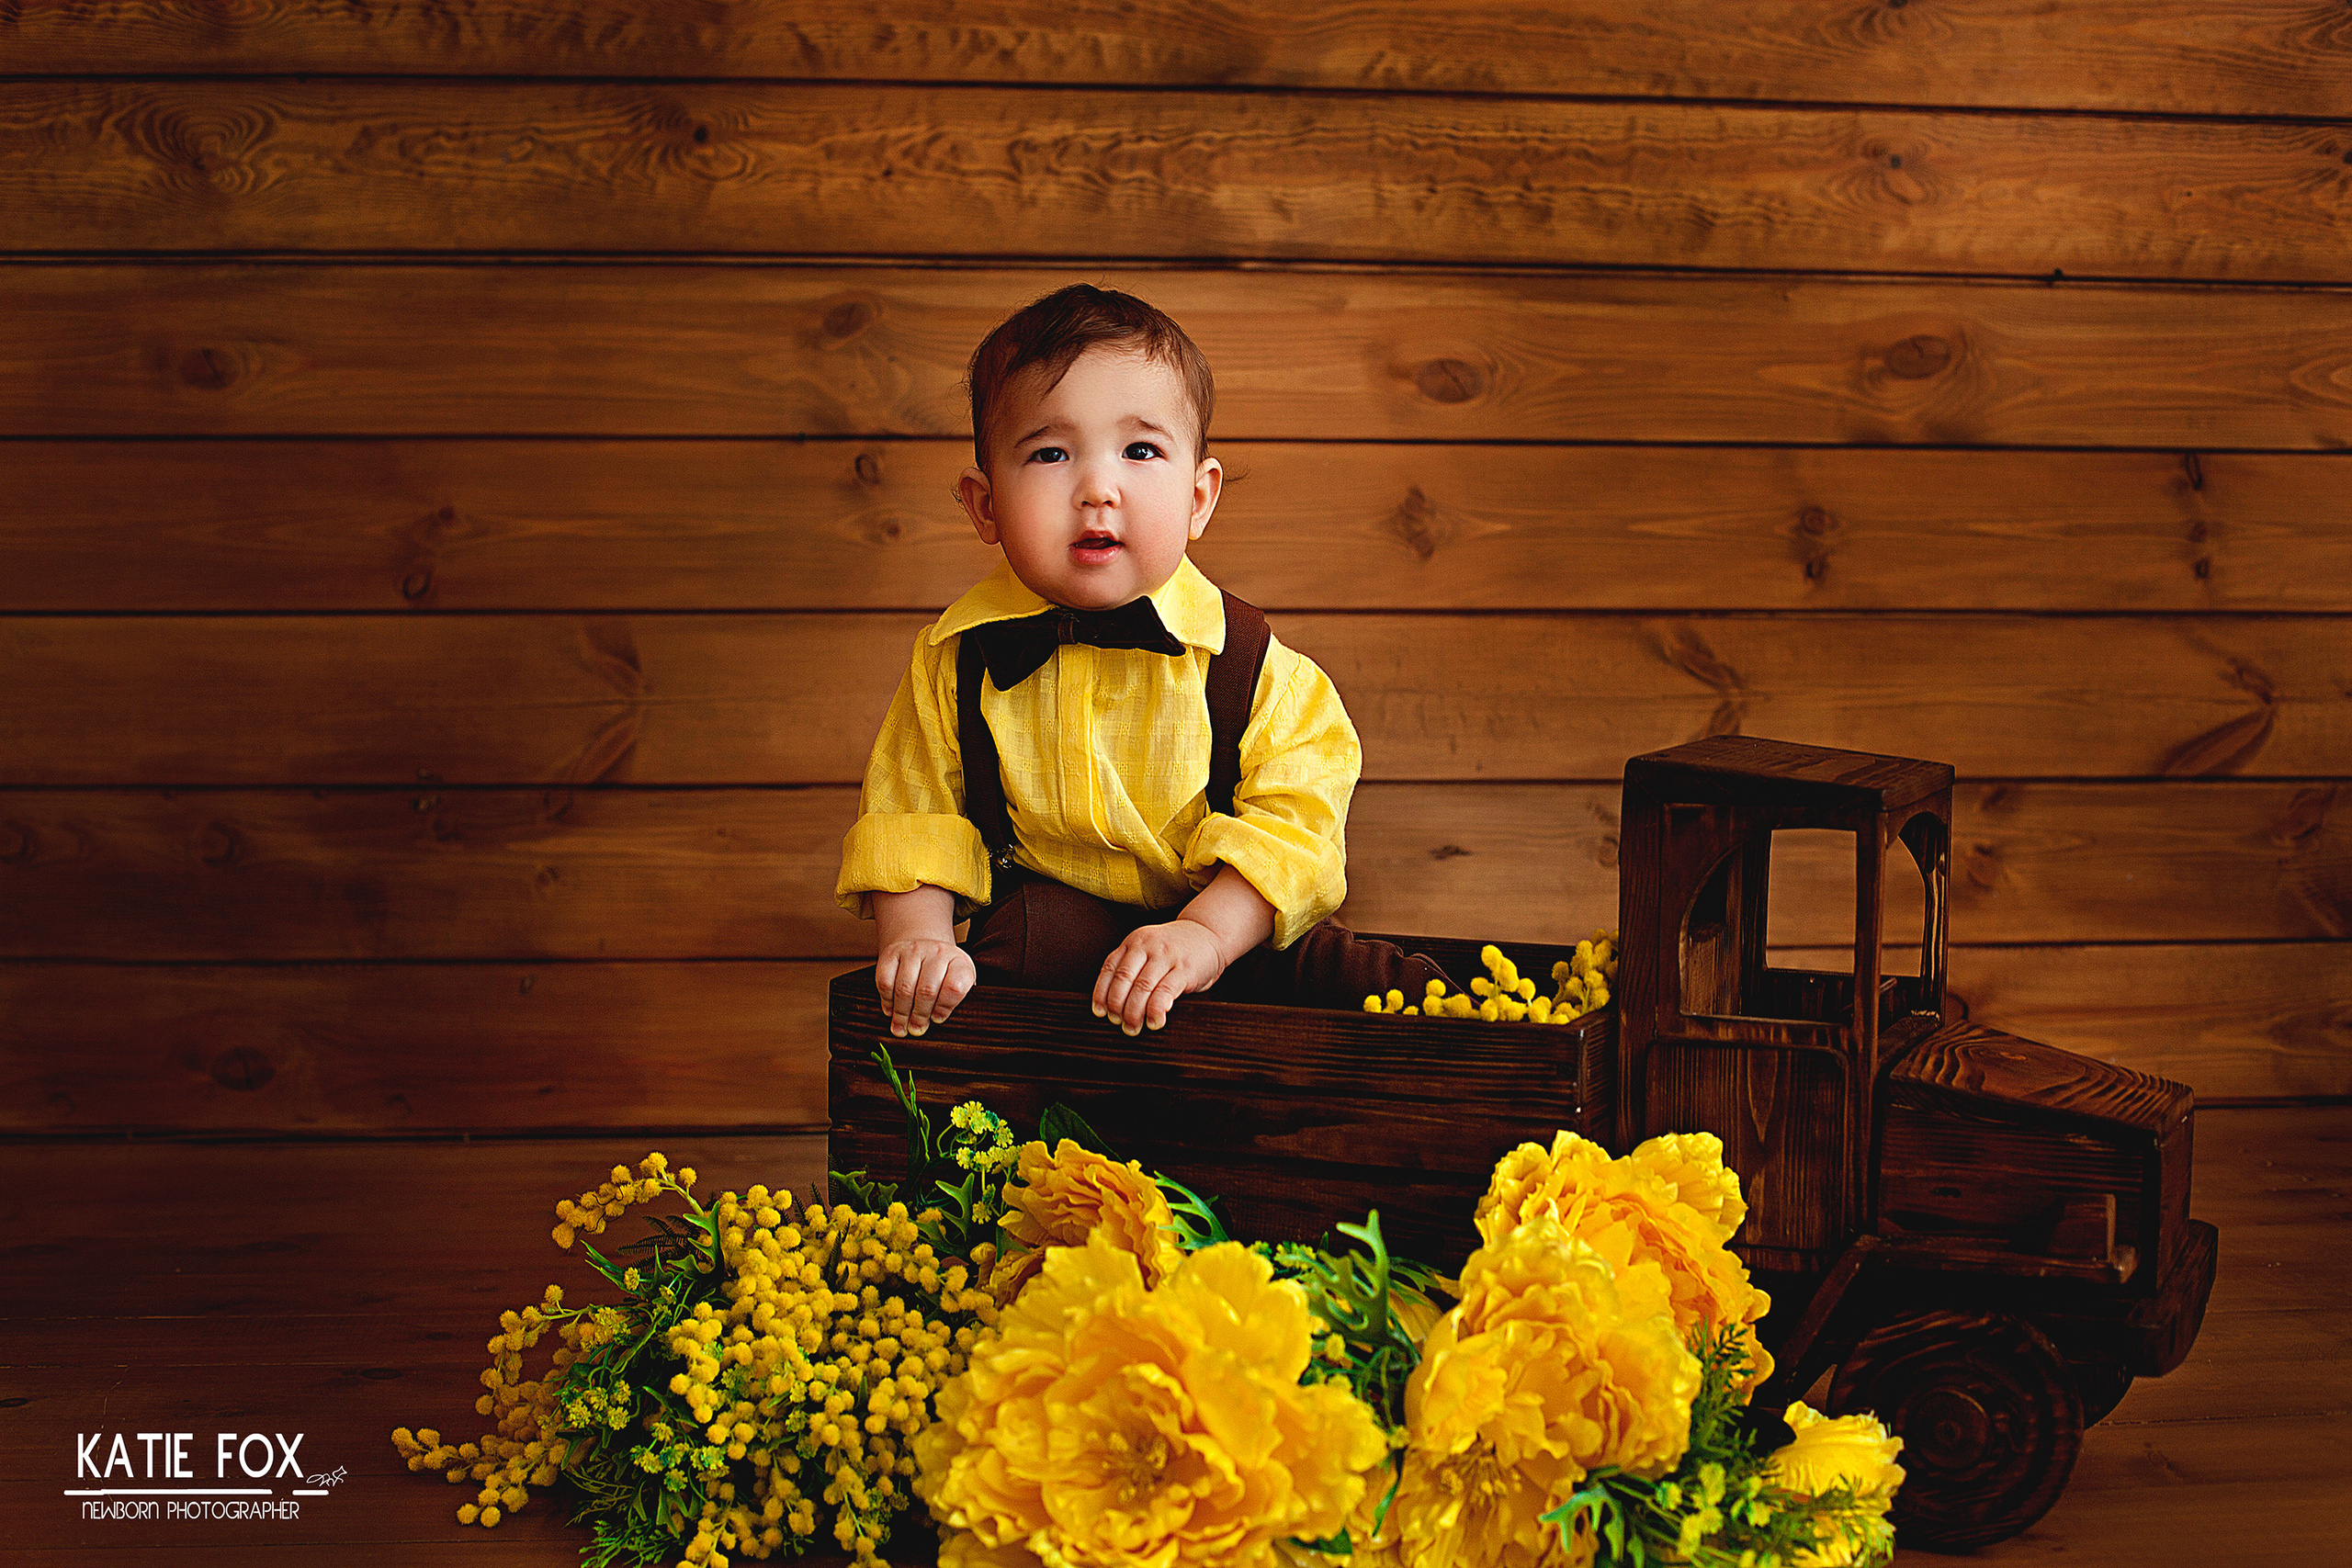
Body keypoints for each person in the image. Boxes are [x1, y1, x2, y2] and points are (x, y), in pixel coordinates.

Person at [836, 284, 1447, 1039]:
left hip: (1228, 928)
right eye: (1051, 453)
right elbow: (911, 814)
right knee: (1016, 944)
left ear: (1199, 498)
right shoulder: (954, 665)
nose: (1098, 488)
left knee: (1351, 977)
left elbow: (1299, 824)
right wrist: (919, 937)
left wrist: (1205, 936)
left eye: (1140, 450)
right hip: (1059, 943)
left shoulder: (1253, 667)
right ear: (985, 504)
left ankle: (1488, 1058)